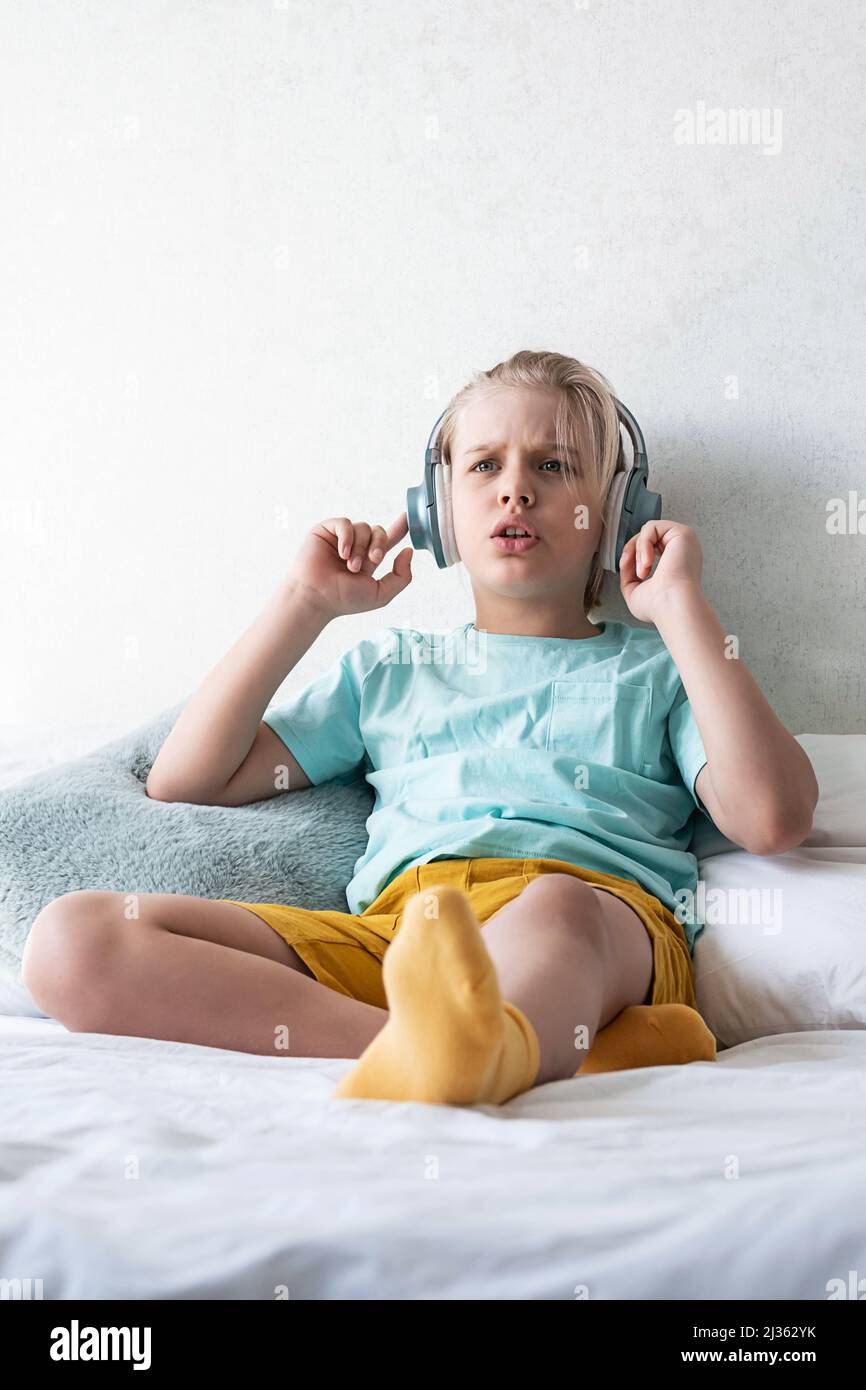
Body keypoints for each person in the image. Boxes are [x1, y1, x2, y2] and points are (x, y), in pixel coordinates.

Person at [22, 350, 819, 1107]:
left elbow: (772, 818)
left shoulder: (660, 666)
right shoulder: (390, 669)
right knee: (73, 939)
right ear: (437, 510)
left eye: (554, 466)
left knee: (555, 907)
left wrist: (684, 610)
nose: (515, 491)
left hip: (592, 925)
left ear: (614, 512)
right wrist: (305, 604)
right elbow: (185, 779)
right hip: (405, 937)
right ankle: (449, 1047)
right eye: (484, 466)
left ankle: (487, 1042)